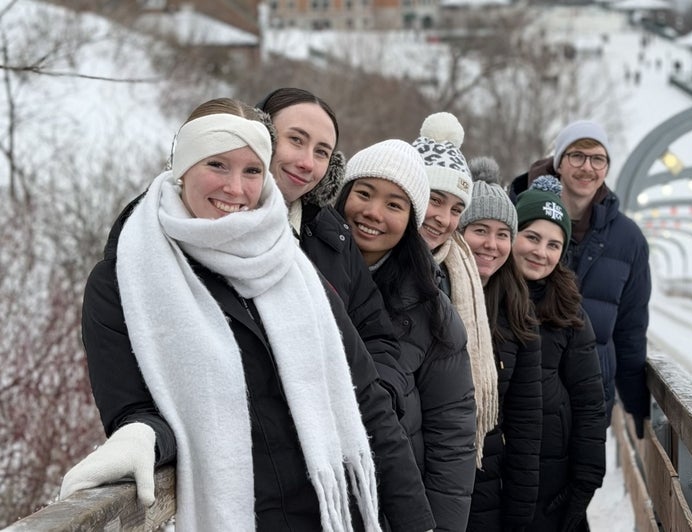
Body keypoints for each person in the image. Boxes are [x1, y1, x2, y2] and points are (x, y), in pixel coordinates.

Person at [60, 98, 435, 532]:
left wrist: (416, 522)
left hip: (333, 515)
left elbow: (366, 399)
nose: (236, 189)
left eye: (252, 170)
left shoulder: (292, 268)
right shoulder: (125, 279)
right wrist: (141, 436)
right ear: (182, 166)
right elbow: (135, 407)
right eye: (217, 164)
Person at [334, 138, 477, 532]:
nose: (373, 213)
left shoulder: (432, 311)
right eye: (364, 193)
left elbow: (452, 438)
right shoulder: (298, 270)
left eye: (395, 205)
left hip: (391, 511)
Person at [254, 88, 405, 408]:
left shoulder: (332, 237)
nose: (307, 162)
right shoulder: (203, 218)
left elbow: (378, 339)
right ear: (260, 133)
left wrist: (372, 401)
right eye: (296, 140)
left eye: (321, 152)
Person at [510, 119, 651, 438]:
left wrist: (638, 406)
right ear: (559, 162)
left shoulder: (627, 240)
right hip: (517, 393)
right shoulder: (517, 213)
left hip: (585, 402)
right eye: (577, 156)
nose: (587, 167)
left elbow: (630, 328)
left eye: (597, 159)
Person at [513, 175, 606, 532]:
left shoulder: (568, 312)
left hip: (554, 481)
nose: (541, 252)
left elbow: (588, 401)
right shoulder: (485, 298)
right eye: (532, 237)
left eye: (554, 244)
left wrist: (585, 481)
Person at [458, 157, 543, 531]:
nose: (491, 244)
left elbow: (526, 426)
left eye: (503, 233)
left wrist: (519, 516)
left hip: (490, 491)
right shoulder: (430, 293)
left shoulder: (518, 312)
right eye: (479, 230)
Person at [411, 112, 498, 468]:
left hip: (440, 455)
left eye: (457, 208)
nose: (444, 218)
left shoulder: (454, 271)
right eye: (435, 199)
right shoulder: (368, 265)